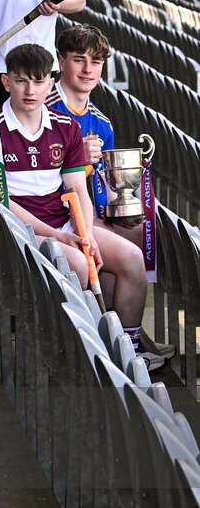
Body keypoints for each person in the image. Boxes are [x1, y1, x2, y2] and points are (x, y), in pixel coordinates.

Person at [0, 43, 164, 369]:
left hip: (64, 226)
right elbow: (4, 202)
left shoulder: (66, 126)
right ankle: (79, 357)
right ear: (5, 82)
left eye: (38, 81)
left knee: (130, 258)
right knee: (77, 262)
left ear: (49, 82)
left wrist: (84, 233)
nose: (30, 90)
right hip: (22, 229)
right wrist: (60, 238)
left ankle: (128, 352)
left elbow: (78, 190)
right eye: (20, 81)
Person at [45, 25, 172, 359]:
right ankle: (126, 348)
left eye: (97, 62)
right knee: (124, 257)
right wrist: (76, 159)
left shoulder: (101, 123)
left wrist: (122, 206)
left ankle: (121, 336)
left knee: (140, 228)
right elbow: (33, 178)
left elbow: (100, 187)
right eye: (79, 60)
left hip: (82, 212)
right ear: (61, 61)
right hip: (52, 216)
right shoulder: (43, 106)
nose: (89, 70)